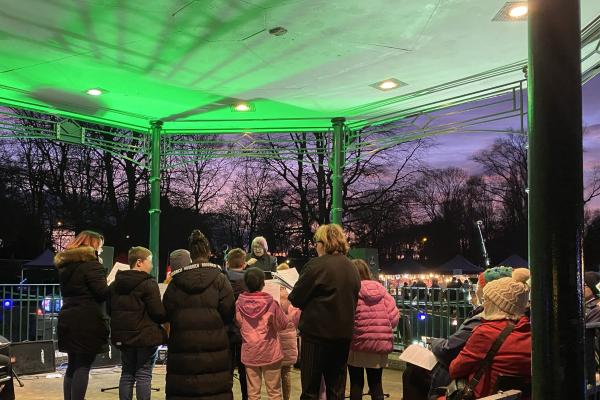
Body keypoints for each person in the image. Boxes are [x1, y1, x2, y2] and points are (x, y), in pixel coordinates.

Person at [288, 224, 361, 400]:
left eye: (317, 242)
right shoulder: (352, 267)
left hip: (316, 336)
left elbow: (296, 298)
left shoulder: (316, 265)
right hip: (343, 336)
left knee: (310, 390)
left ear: (325, 242)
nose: (315, 246)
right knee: (336, 389)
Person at [163, 231, 235, 400]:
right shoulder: (220, 279)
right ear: (208, 252)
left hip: (183, 347)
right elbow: (229, 311)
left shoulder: (175, 282)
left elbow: (166, 312)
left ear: (190, 254)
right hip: (214, 346)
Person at [448, 268, 531, 399]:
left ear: (498, 304)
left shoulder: (486, 333)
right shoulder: (530, 331)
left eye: (488, 300)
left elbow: (455, 369)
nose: (484, 304)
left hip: (484, 396)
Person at [54, 230, 109, 400]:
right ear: (93, 245)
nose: (101, 250)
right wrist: (115, 283)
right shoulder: (92, 265)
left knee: (72, 364)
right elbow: (102, 293)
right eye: (100, 246)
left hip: (68, 317)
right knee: (83, 365)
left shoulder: (66, 266)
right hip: (87, 320)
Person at [107, 246, 167, 400]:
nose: (152, 265)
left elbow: (109, 310)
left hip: (123, 337)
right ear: (139, 262)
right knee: (144, 375)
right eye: (150, 261)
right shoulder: (148, 283)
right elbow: (158, 313)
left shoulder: (115, 285)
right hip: (145, 337)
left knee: (127, 374)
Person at [347, 259, 399, 400]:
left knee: (356, 383)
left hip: (357, 345)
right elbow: (394, 319)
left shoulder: (350, 293)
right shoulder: (384, 293)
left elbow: (346, 319)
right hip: (379, 347)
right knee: (376, 384)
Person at [236, 267, 290, 400]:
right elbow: (282, 325)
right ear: (263, 284)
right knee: (274, 392)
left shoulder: (239, 303)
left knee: (253, 393)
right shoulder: (271, 303)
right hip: (270, 351)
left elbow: (239, 323)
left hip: (250, 351)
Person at [226, 248, 249, 400]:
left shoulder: (222, 279)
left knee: (226, 370)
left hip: (226, 330)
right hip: (245, 331)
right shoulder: (249, 280)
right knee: (245, 371)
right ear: (244, 264)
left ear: (227, 263)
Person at [276, 263, 301, 400]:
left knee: (273, 374)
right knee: (286, 373)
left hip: (276, 335)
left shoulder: (273, 291)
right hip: (290, 335)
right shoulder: (295, 292)